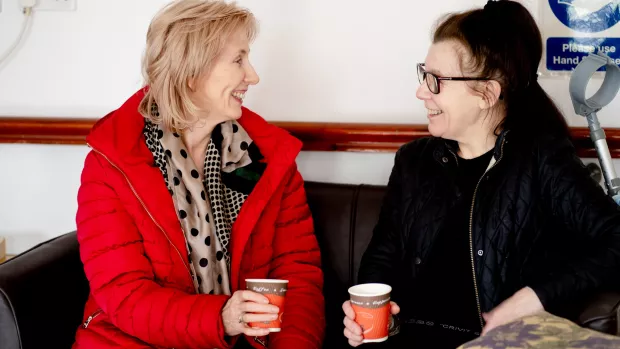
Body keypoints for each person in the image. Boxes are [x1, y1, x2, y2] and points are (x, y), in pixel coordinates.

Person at [342, 0, 620, 348]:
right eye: (423, 74)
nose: (420, 91)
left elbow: (616, 239)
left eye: (435, 81)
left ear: (486, 94)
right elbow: (383, 255)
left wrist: (534, 298)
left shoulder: (541, 160)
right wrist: (370, 315)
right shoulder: (413, 161)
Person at [73, 1, 324, 348]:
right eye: (239, 60)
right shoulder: (110, 164)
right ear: (192, 71)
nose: (253, 76)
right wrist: (219, 318)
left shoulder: (266, 160)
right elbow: (125, 294)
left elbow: (296, 276)